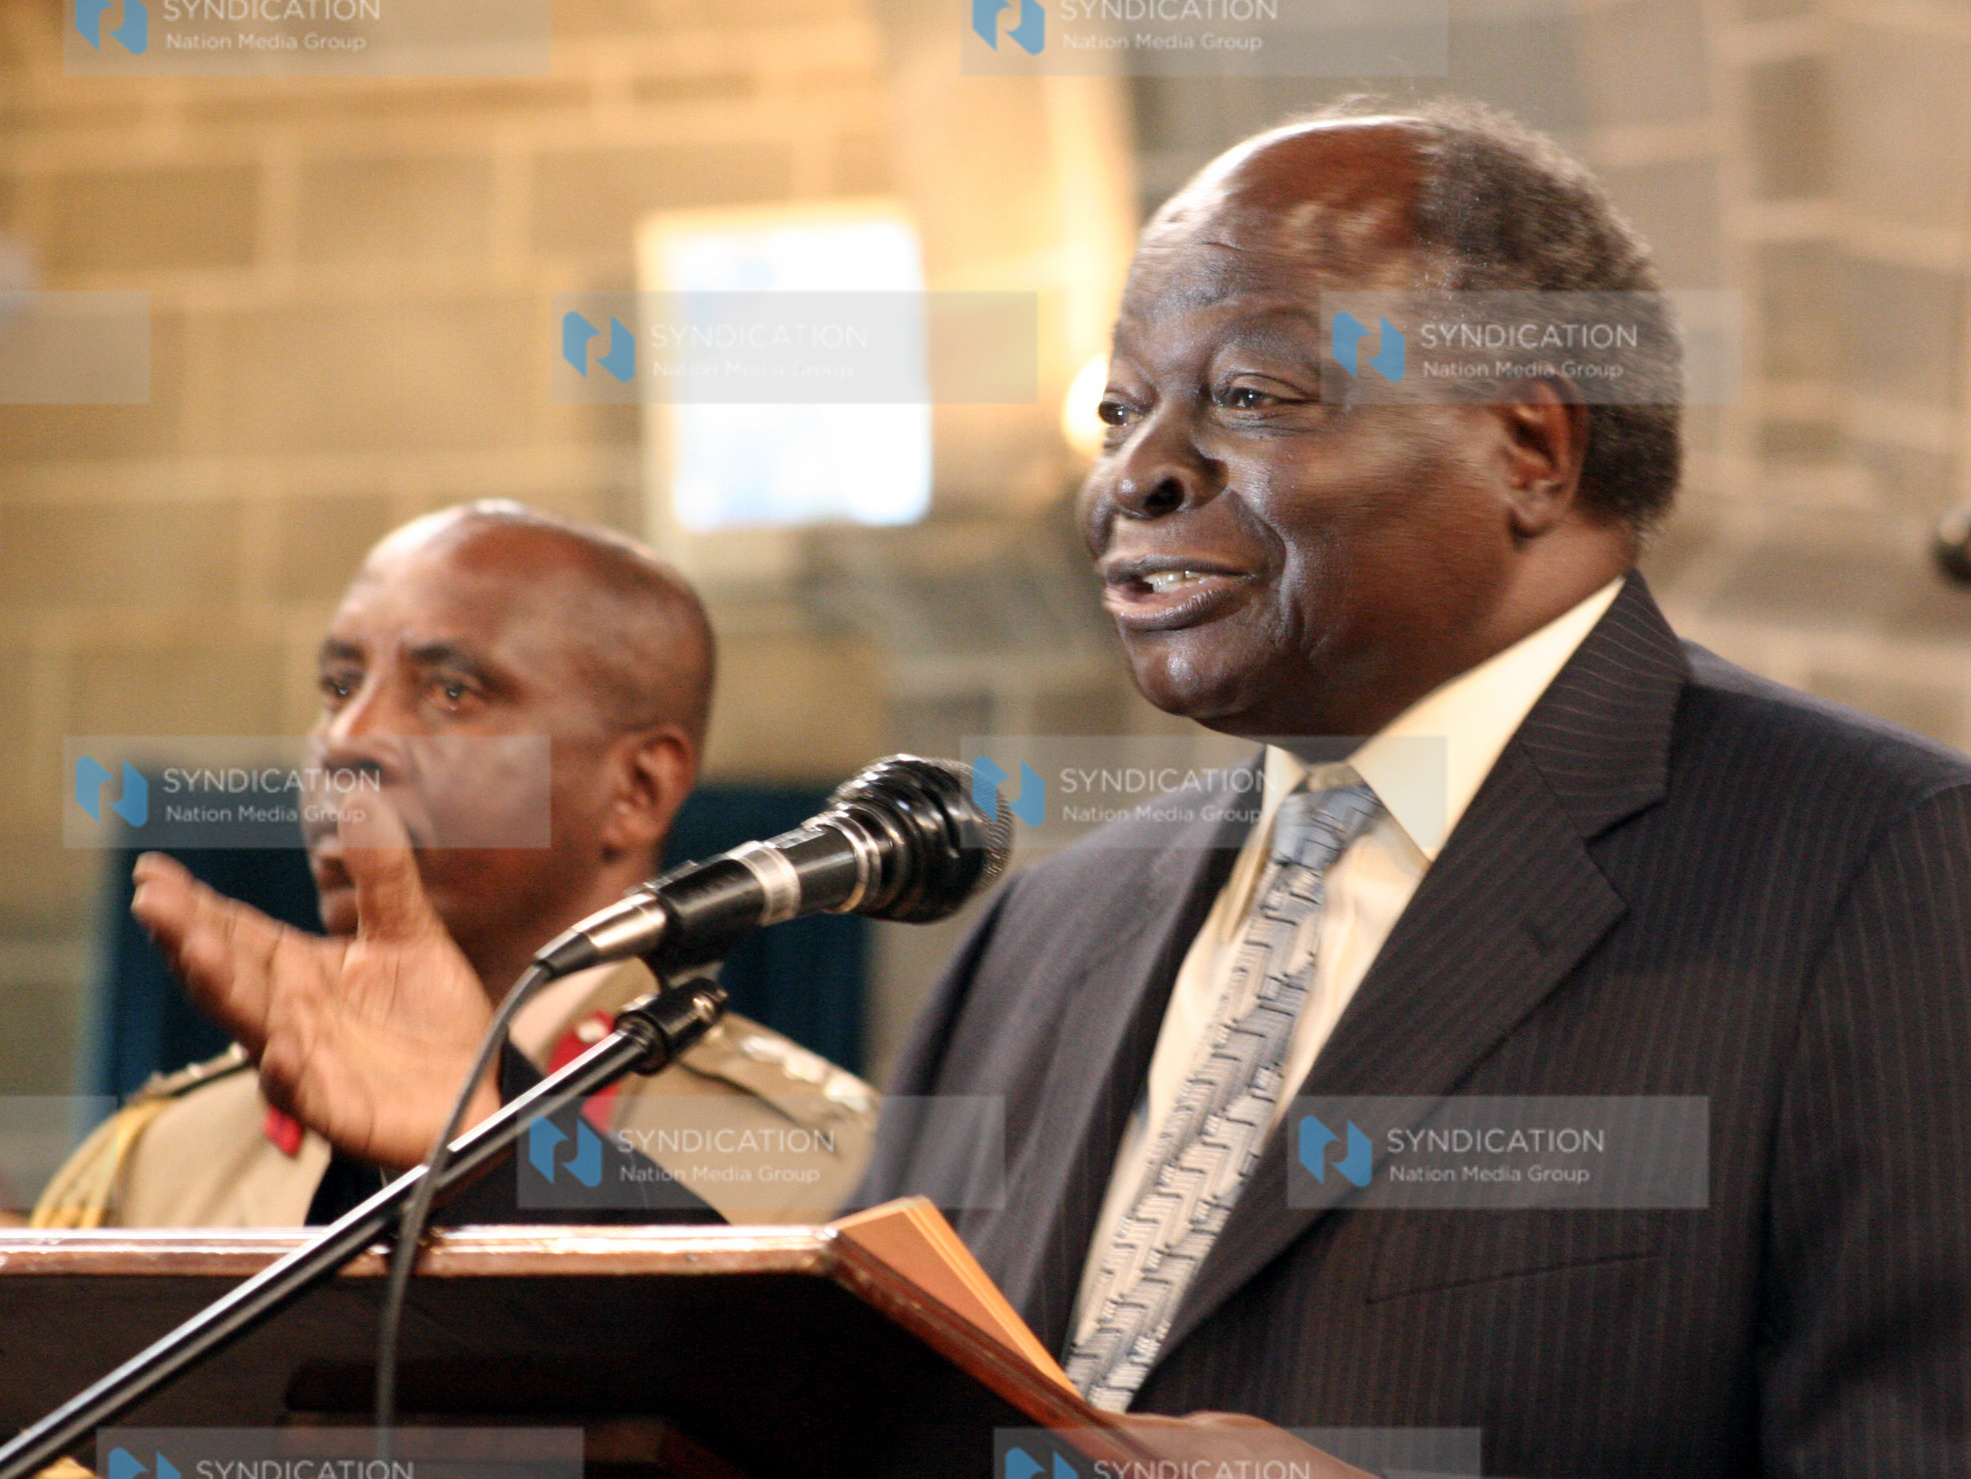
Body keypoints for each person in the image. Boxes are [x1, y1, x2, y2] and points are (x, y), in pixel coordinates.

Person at [853, 100, 1971, 1474]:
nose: (1137, 477)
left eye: (1252, 398)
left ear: (1528, 448)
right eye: (1119, 412)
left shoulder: (1881, 867)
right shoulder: (1043, 930)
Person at [35, 502, 875, 1230]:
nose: (348, 739)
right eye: (338, 685)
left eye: (451, 692)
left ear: (636, 788)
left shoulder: (821, 1168)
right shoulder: (165, 1156)